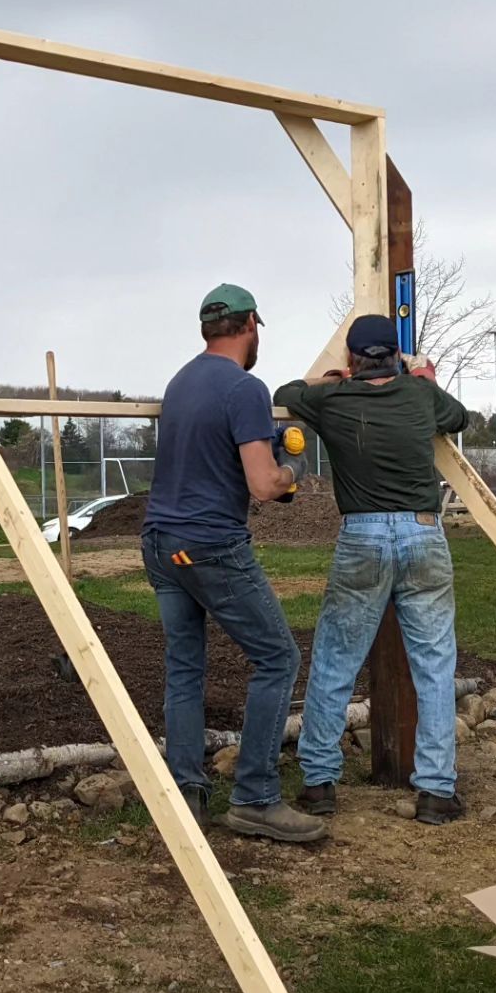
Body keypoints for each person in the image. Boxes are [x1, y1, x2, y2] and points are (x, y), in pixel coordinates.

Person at [142, 284, 324, 843]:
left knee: (185, 669)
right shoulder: (246, 388)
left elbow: (209, 454)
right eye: (257, 329)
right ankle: (256, 798)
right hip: (210, 545)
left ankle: (188, 796)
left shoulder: (181, 382)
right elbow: (265, 486)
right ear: (249, 327)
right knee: (278, 657)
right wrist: (293, 462)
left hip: (160, 540)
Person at [273, 314, 470, 824]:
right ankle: (435, 790)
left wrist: (328, 379)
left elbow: (285, 390)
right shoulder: (419, 396)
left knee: (337, 662)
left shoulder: (331, 400)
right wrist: (420, 373)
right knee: (433, 667)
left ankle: (318, 783)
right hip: (423, 532)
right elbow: (460, 417)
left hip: (361, 535)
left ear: (354, 358)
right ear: (395, 354)